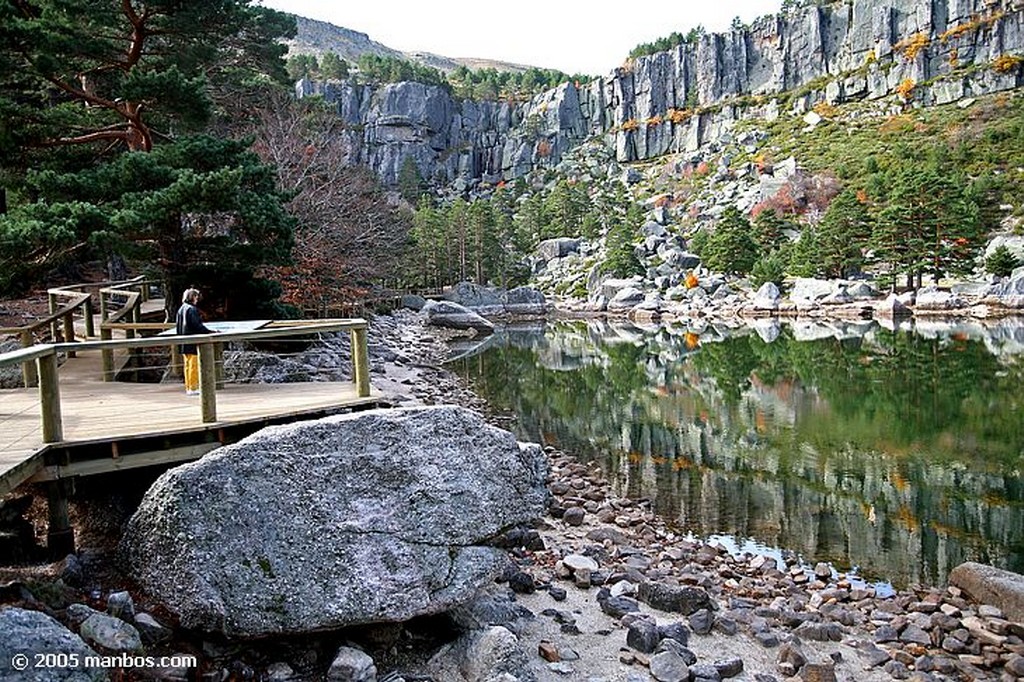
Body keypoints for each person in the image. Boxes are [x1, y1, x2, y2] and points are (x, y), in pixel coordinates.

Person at [175, 288, 215, 395]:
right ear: (193, 297)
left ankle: (189, 386)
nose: (197, 299)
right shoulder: (191, 309)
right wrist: (209, 332)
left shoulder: (181, 309)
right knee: (193, 366)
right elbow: (197, 326)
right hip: (192, 341)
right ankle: (193, 387)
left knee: (187, 366)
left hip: (183, 341)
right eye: (196, 296)